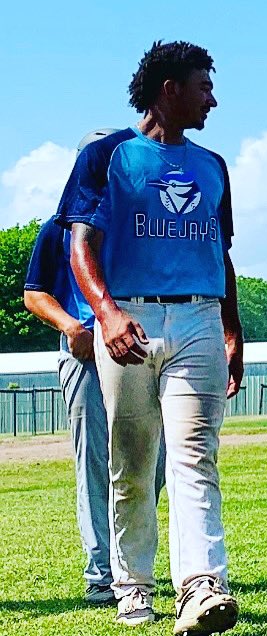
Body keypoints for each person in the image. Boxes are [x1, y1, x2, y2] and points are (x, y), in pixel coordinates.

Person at [54, 41, 244, 634]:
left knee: (194, 456)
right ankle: (131, 587)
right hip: (129, 323)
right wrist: (106, 314)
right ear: (170, 91)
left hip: (198, 321)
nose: (213, 99)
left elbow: (223, 251)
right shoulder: (107, 157)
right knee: (132, 463)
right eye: (203, 87)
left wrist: (232, 329)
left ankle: (202, 585)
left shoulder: (213, 166)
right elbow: (79, 243)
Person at [23, 130, 165, 606]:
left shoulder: (139, 220)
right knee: (95, 464)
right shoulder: (57, 227)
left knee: (152, 462)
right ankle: (101, 573)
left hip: (138, 349)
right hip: (84, 352)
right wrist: (69, 326)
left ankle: (131, 562)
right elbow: (33, 292)